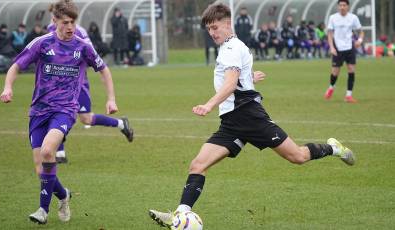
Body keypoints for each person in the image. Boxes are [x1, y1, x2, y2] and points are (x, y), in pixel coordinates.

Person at [148, 3, 355, 228]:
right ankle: (180, 214)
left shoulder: (231, 48)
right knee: (198, 164)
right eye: (208, 29)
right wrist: (249, 77)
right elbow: (237, 79)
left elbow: (229, 84)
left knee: (298, 157)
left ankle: (334, 148)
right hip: (231, 122)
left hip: (250, 116)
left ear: (228, 23)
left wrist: (208, 105)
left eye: (215, 27)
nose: (212, 32)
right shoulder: (233, 46)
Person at [0, 0, 126, 224]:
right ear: (55, 21)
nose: (70, 27)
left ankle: (42, 211)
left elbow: (103, 70)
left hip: (65, 110)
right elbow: (16, 66)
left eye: (73, 22)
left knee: (49, 151)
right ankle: (64, 195)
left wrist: (111, 99)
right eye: (65, 22)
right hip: (39, 111)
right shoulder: (42, 43)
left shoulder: (82, 46)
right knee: (41, 169)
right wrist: (8, 87)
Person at [47, 7, 134, 163]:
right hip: (56, 83)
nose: (68, 25)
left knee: (86, 118)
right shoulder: (50, 30)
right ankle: (59, 152)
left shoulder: (78, 32)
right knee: (57, 112)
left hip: (78, 82)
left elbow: (91, 54)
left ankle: (120, 123)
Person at [324, 0, 364, 103]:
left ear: (348, 7)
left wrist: (359, 41)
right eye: (340, 5)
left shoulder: (353, 18)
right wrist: (332, 47)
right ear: (338, 7)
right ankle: (331, 87)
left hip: (350, 47)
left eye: (344, 5)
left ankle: (348, 95)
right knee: (335, 72)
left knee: (351, 70)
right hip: (337, 48)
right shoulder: (333, 18)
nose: (342, 7)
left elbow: (361, 31)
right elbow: (329, 34)